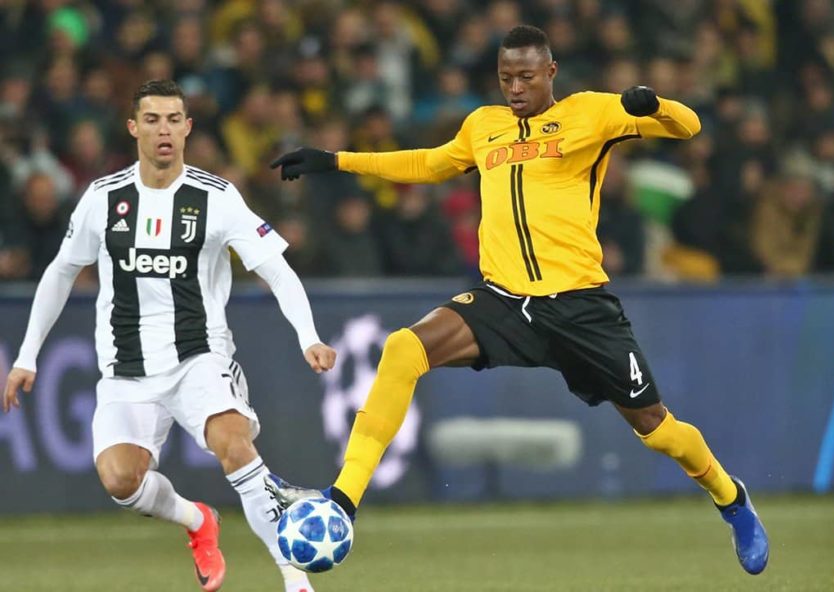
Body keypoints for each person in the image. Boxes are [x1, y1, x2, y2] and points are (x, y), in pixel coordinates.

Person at [267, 25, 769, 575]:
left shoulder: (591, 113)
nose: (515, 88)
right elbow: (431, 164)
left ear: (551, 72)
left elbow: (689, 126)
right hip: (504, 301)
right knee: (403, 348)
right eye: (506, 78)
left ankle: (731, 499)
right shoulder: (484, 126)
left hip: (580, 306)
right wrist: (337, 160)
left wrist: (654, 105)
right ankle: (343, 500)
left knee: (657, 429)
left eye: (526, 77)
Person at [2, 80, 337, 592]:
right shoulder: (103, 198)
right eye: (153, 119)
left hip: (200, 356)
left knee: (233, 445)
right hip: (126, 368)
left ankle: (295, 580)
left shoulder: (217, 197)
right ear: (133, 128)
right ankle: (197, 520)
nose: (164, 130)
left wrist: (307, 336)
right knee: (120, 479)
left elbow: (276, 269)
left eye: (174, 120)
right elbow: (61, 271)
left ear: (187, 128)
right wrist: (27, 355)